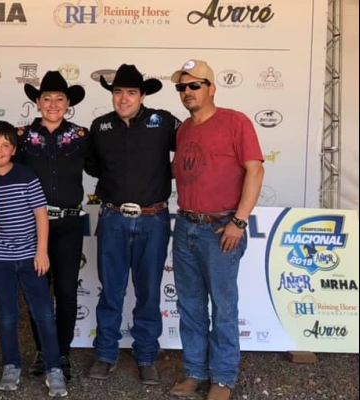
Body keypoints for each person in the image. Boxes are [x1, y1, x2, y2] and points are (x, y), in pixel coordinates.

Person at [168, 59, 264, 400]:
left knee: (224, 306)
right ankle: (195, 370)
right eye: (181, 87)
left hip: (221, 227)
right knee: (190, 304)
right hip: (185, 225)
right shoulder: (183, 130)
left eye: (194, 85)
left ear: (211, 88)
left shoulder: (235, 122)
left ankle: (223, 377)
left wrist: (238, 221)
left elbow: (255, 171)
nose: (187, 92)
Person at [85, 64, 180, 384]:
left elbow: (193, 149)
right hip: (112, 218)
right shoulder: (100, 127)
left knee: (149, 292)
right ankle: (106, 353)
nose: (123, 98)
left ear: (142, 95)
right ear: (112, 95)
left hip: (153, 219)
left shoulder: (163, 122)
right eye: (118, 92)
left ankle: (146, 355)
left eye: (131, 92)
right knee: (110, 291)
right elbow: (94, 167)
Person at [0, 120, 68, 398]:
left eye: (6, 144)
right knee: (7, 314)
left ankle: (54, 368)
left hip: (31, 256)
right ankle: (11, 365)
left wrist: (41, 251)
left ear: (14, 149)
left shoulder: (26, 175)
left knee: (43, 312)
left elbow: (41, 214)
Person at [15, 70, 90, 380]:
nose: (53, 104)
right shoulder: (21, 137)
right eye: (47, 98)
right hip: (34, 225)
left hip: (70, 225)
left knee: (66, 292)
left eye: (60, 99)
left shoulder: (82, 136)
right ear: (37, 101)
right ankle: (43, 350)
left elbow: (108, 167)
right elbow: (7, 176)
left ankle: (62, 352)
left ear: (68, 103)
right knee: (38, 292)